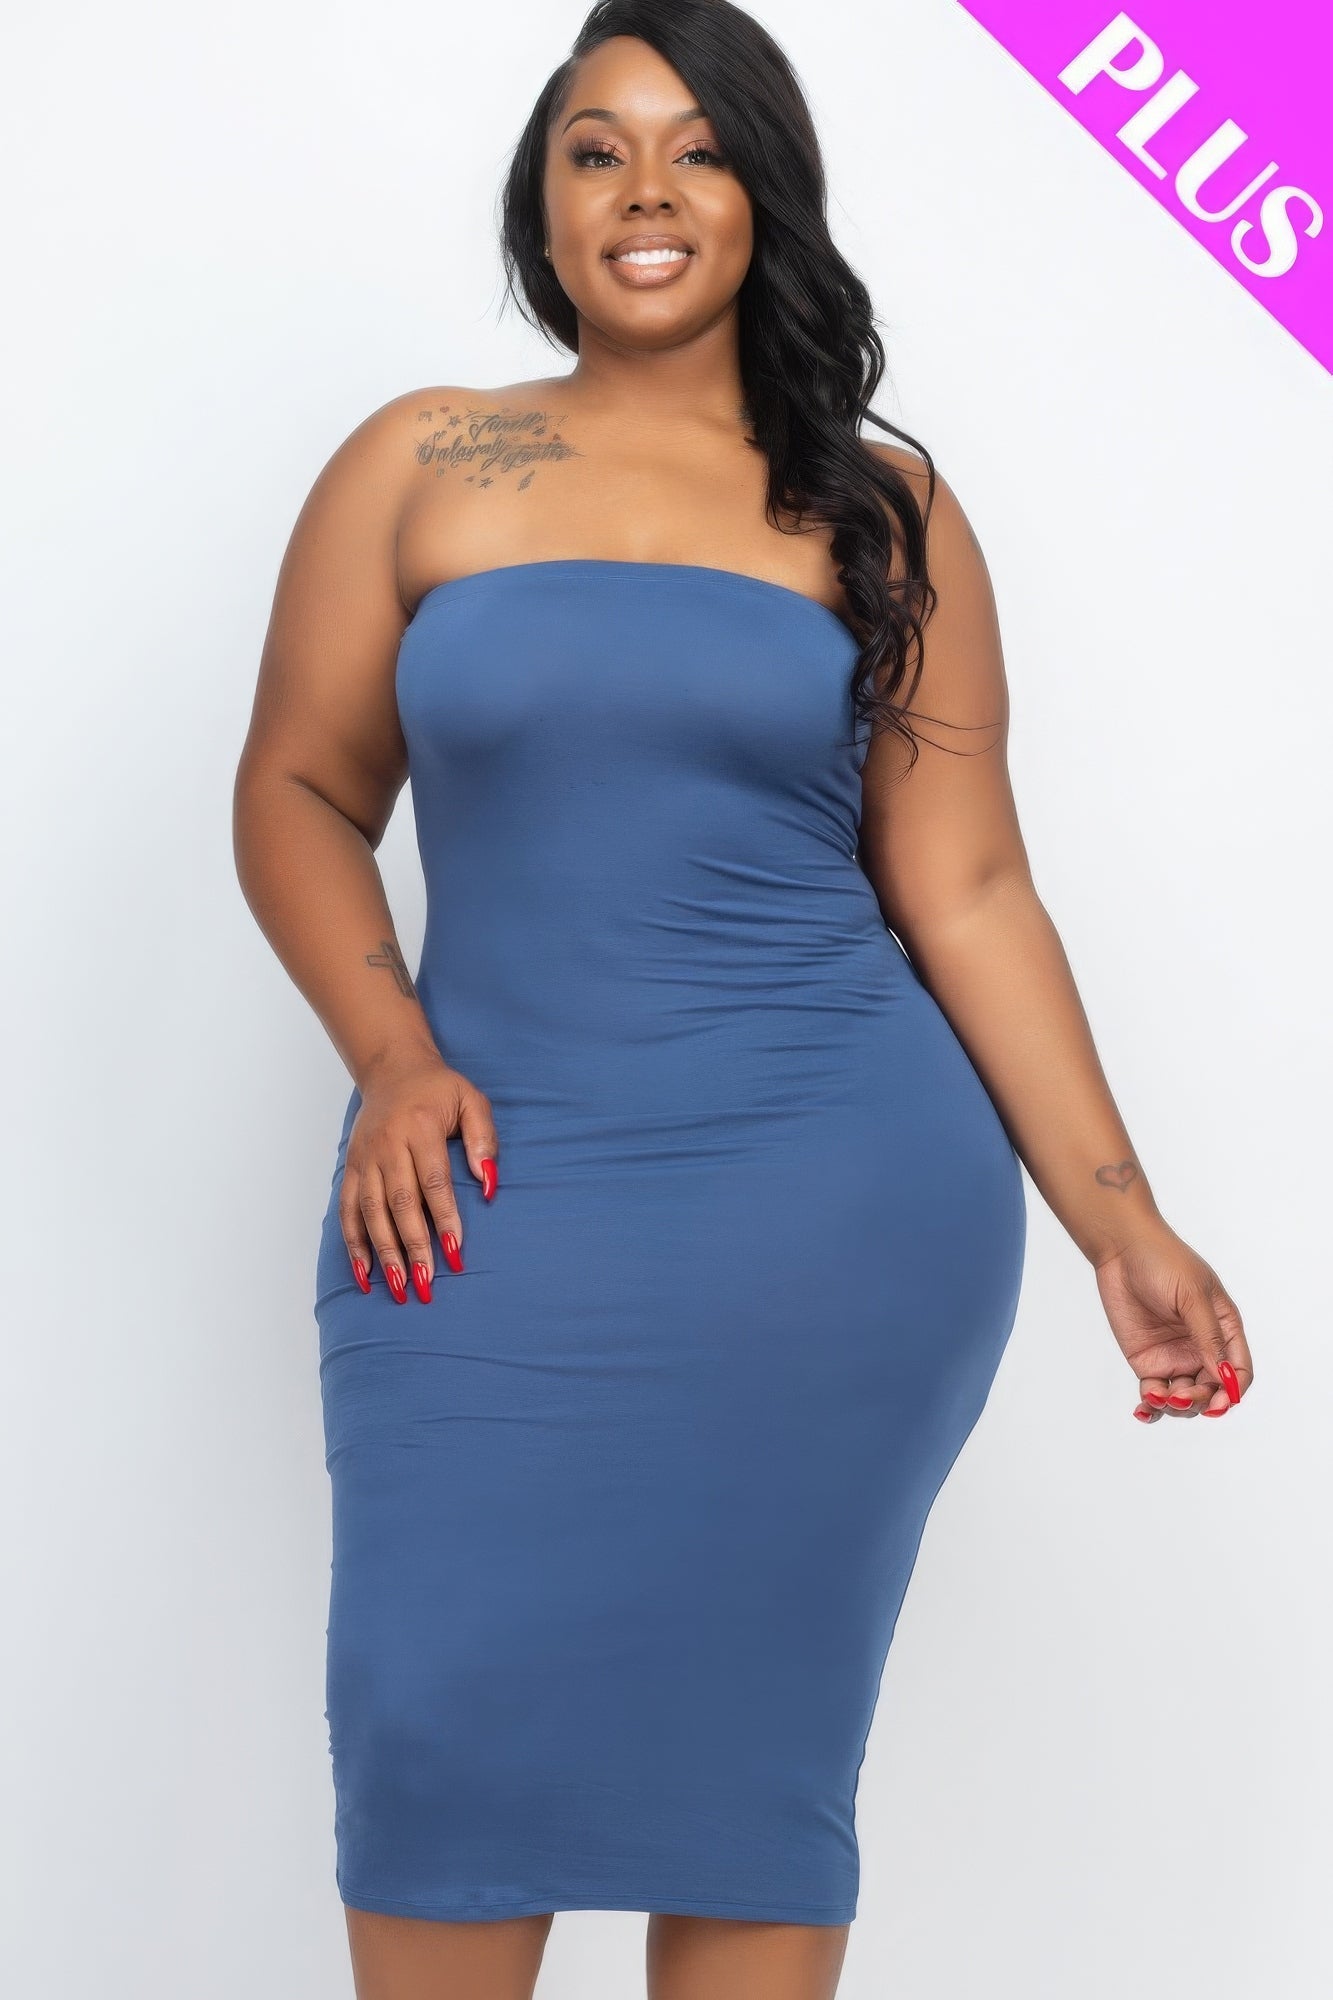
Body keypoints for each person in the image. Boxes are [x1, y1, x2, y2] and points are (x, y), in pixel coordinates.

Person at [232, 4, 1254, 1996]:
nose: (645, 190)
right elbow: (295, 789)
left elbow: (967, 887)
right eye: (595, 148)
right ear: (541, 203)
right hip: (473, 1189)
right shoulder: (424, 457)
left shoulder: (875, 504)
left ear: (762, 195)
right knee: (433, 1735)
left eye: (696, 148)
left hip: (822, 1216)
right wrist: (393, 1055)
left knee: (748, 1779)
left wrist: (1117, 1218)